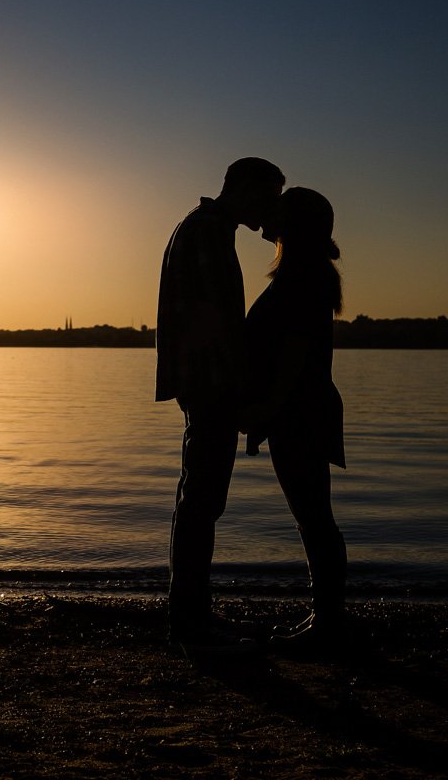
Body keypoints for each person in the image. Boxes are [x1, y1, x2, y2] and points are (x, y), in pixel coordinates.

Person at [156, 156, 285, 651]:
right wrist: (243, 389)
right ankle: (190, 619)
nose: (271, 208)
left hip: (203, 381)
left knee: (200, 499)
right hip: (210, 383)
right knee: (201, 501)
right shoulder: (207, 231)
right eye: (269, 195)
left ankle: (192, 614)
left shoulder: (202, 227)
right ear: (245, 188)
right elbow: (218, 321)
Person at [242, 187, 347, 655]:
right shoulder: (304, 276)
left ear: (292, 224)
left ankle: (328, 622)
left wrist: (264, 413)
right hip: (304, 408)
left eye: (276, 211)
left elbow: (293, 357)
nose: (267, 215)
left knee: (314, 519)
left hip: (299, 412)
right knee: (315, 518)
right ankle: (328, 617)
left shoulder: (300, 280)